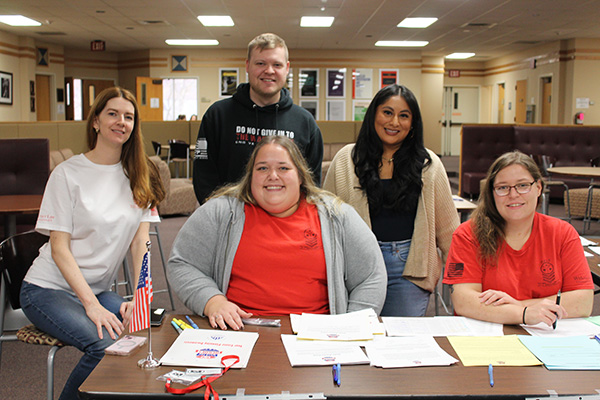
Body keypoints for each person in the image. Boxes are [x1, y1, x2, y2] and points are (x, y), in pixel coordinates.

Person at [19, 87, 165, 400]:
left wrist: (139, 298)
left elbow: (141, 244)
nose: (121, 121)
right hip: (47, 289)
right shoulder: (67, 174)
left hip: (96, 288)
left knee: (144, 333)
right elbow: (59, 249)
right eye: (112, 113)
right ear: (96, 121)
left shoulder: (140, 176)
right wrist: (92, 306)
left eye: (128, 116)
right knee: (103, 347)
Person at [169, 136, 386, 330]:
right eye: (262, 168)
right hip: (239, 331)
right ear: (250, 176)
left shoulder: (336, 215)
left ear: (300, 176)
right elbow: (183, 262)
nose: (273, 176)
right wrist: (212, 301)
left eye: (283, 168)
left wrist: (351, 327)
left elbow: (371, 276)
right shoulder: (220, 213)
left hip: (316, 336)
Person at [323, 84, 458, 317]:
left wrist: (462, 282)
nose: (394, 122)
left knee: (400, 343)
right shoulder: (347, 159)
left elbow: (449, 230)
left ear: (413, 124)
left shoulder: (428, 164)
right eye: (387, 112)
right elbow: (324, 218)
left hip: (408, 268)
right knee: (356, 339)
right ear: (374, 114)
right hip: (355, 266)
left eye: (404, 116)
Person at [443, 151, 594, 326]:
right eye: (502, 188)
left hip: (542, 333)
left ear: (538, 188)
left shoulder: (563, 233)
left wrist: (520, 306)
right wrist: (524, 314)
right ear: (492, 193)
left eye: (522, 185)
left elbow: (583, 302)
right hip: (484, 334)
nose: (513, 195)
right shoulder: (468, 234)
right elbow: (464, 302)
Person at [192, 33, 323, 204]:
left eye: (277, 64)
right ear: (247, 65)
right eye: (260, 63)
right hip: (228, 221)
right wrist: (220, 217)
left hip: (284, 223)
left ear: (287, 68)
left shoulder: (305, 122)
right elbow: (204, 177)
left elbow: (311, 185)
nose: (269, 71)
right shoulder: (218, 115)